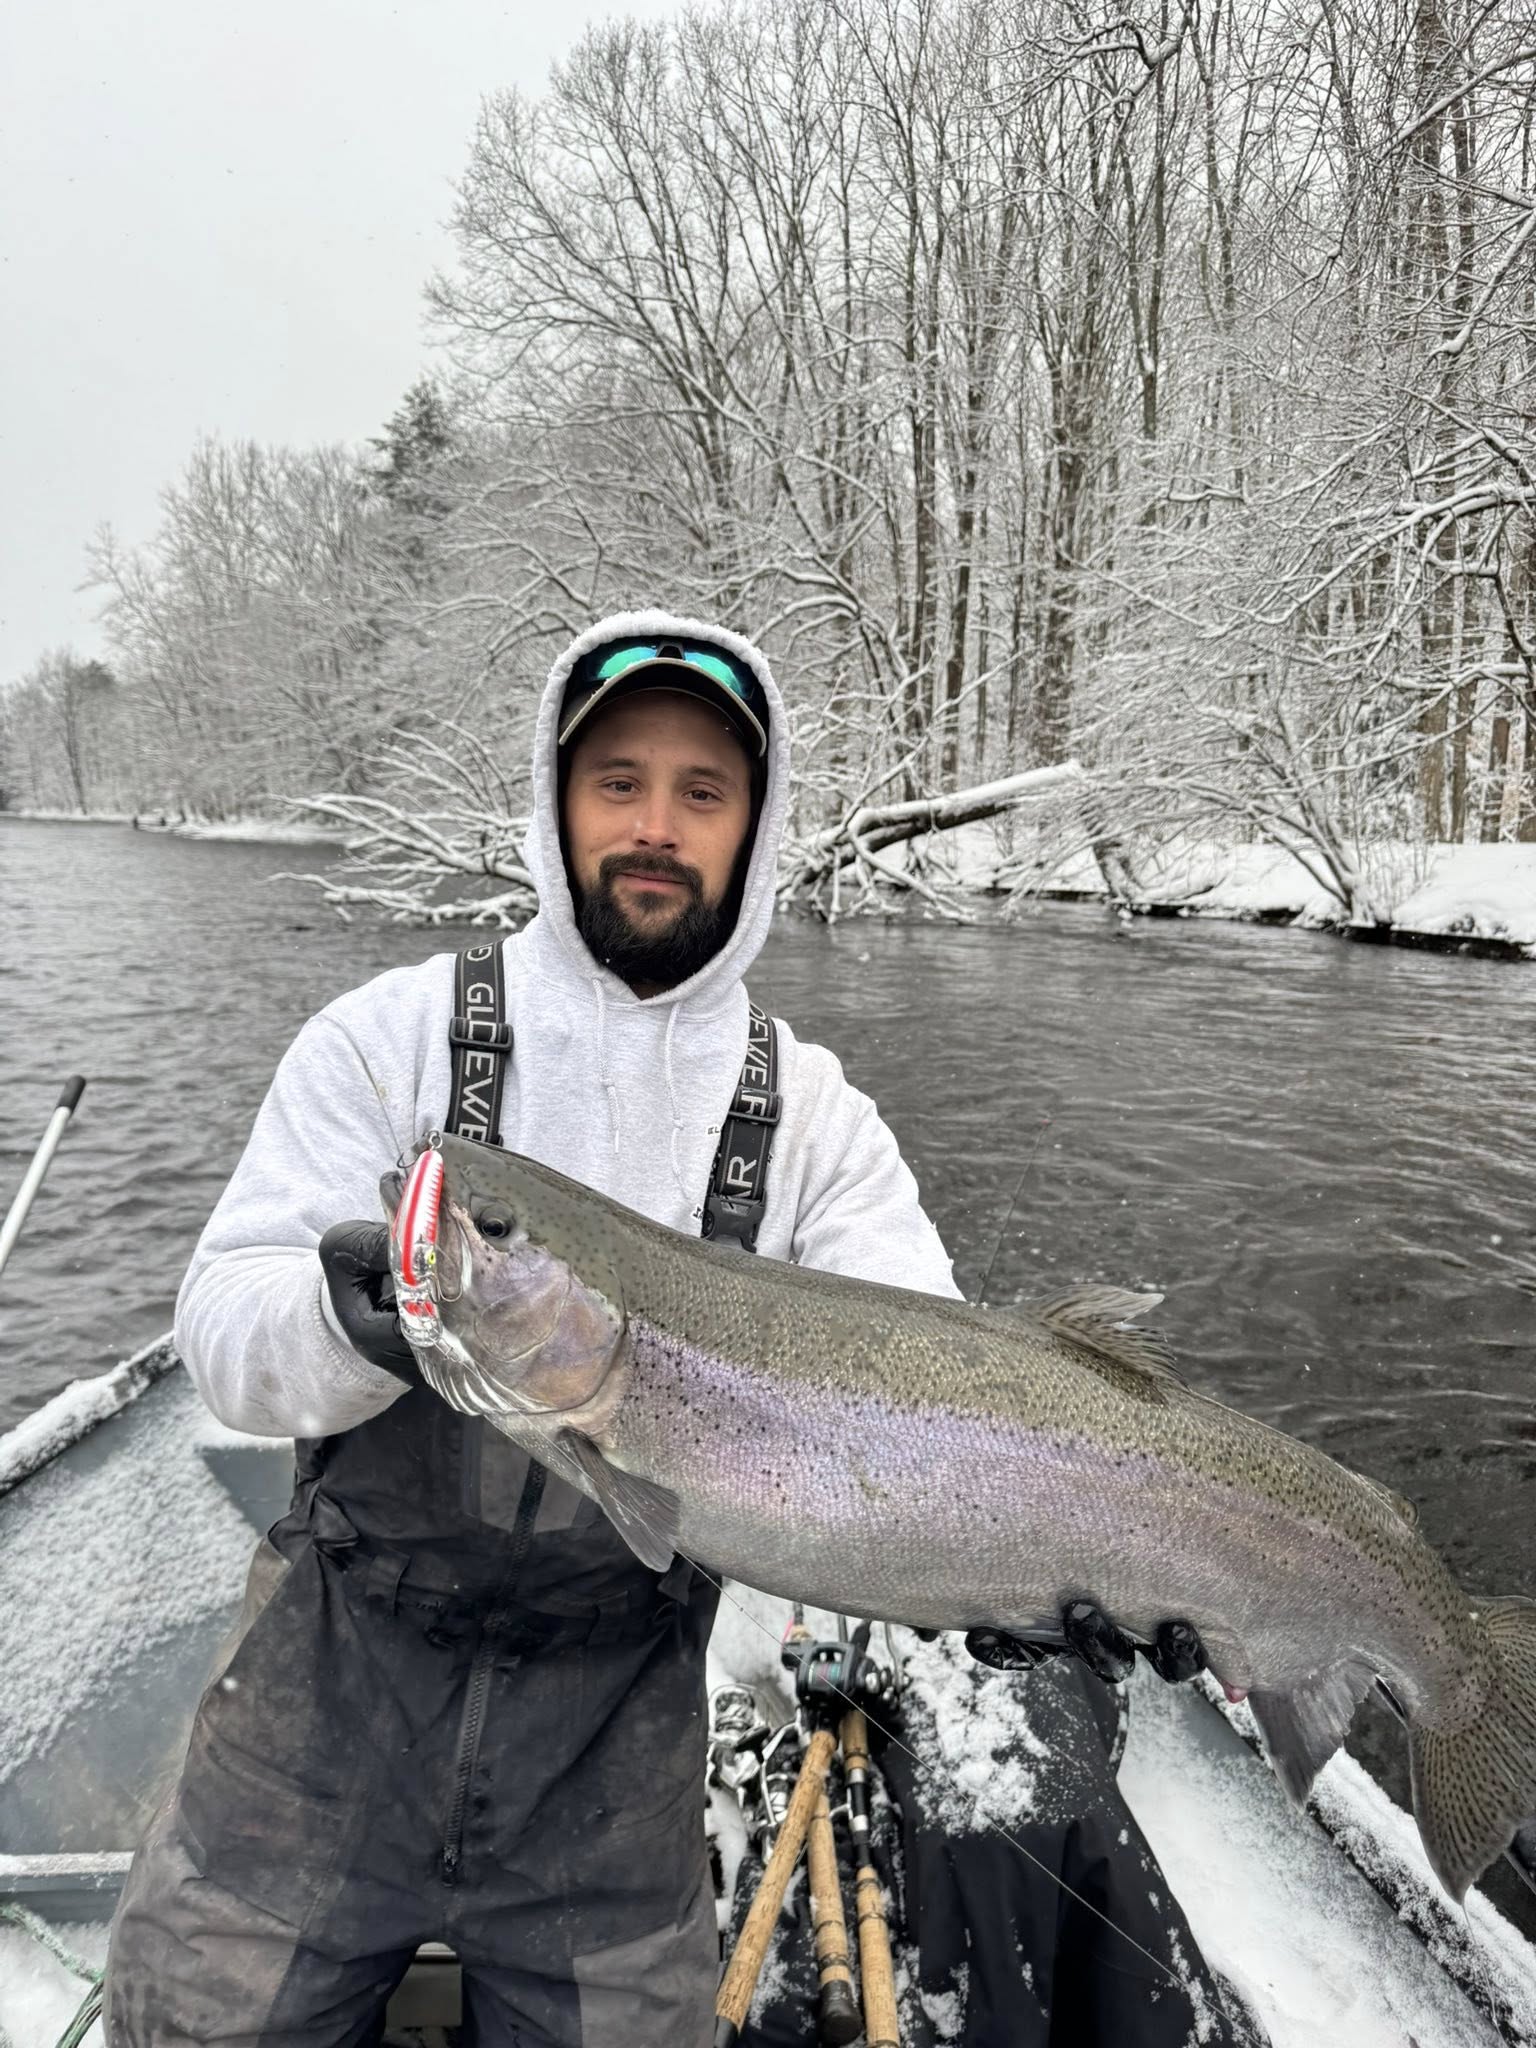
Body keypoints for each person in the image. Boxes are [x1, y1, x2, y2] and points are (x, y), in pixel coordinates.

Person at [104, 613, 1219, 2047]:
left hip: (613, 1782)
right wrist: (358, 1318)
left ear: (756, 830)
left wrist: (1023, 1581)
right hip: (313, 1732)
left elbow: (944, 1398)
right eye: (616, 779)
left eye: (704, 792)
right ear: (554, 798)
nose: (654, 825)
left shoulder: (815, 1124)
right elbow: (221, 1330)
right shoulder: (386, 1041)